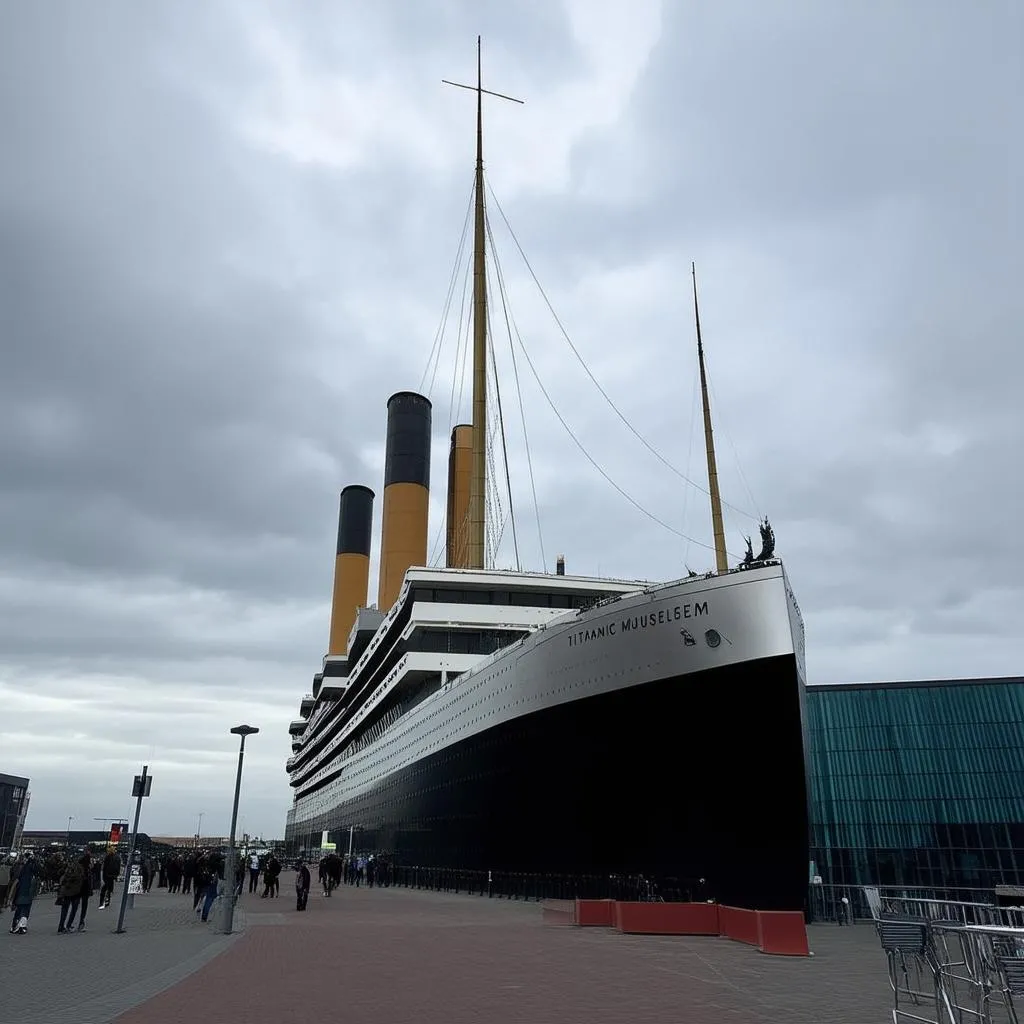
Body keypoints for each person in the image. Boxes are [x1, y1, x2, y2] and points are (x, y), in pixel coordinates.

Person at [9, 852, 40, 934]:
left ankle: (14, 926)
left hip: (19, 890)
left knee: (18, 909)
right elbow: (37, 872)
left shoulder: (19, 867)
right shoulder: (30, 870)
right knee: (25, 910)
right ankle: (21, 927)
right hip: (27, 891)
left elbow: (14, 876)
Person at [64, 852, 93, 933]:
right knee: (83, 908)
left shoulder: (78, 866)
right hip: (84, 890)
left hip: (77, 890)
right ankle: (81, 924)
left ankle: (69, 924)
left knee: (74, 908)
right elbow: (88, 880)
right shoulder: (87, 868)